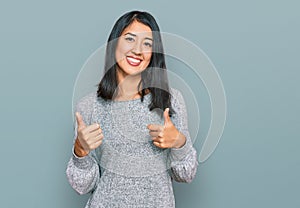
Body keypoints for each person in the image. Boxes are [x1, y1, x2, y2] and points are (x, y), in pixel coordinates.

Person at [66, 10, 198, 208]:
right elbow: (82, 186)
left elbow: (186, 174)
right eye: (130, 39)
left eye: (147, 44)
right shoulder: (89, 106)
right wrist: (80, 152)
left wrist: (179, 142)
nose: (138, 50)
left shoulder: (171, 100)